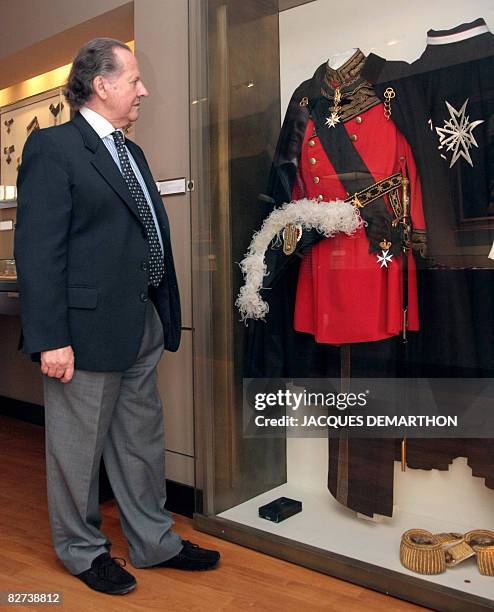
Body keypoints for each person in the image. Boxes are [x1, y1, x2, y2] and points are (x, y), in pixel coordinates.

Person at [14, 37, 220, 596]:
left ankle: (156, 542)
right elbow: (37, 252)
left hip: (142, 323)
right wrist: (50, 338)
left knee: (140, 442)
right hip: (82, 333)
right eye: (133, 79)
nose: (143, 90)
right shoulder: (54, 148)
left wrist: (161, 309)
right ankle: (82, 551)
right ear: (101, 85)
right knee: (77, 451)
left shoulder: (133, 153)